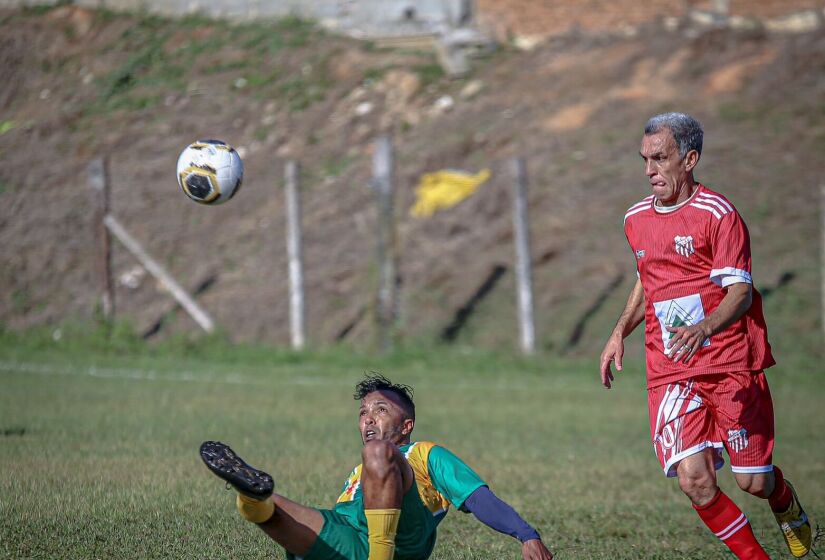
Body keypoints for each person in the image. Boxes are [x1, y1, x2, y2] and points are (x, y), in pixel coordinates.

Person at [599, 112, 813, 558]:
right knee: (695, 481)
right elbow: (648, 278)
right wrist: (619, 331)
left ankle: (783, 499)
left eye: (660, 159)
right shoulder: (635, 218)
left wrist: (705, 327)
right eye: (644, 159)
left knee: (753, 480)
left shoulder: (719, 215)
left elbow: (740, 291)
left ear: (689, 158)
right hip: (672, 367)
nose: (648, 171)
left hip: (731, 363)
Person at [200, 374, 554, 560]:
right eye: (363, 414)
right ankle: (250, 494)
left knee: (378, 455)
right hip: (350, 532)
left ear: (407, 425)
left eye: (381, 410)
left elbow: (477, 498)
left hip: (402, 540)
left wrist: (526, 534)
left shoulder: (423, 453)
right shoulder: (360, 471)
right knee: (271, 510)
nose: (368, 419)